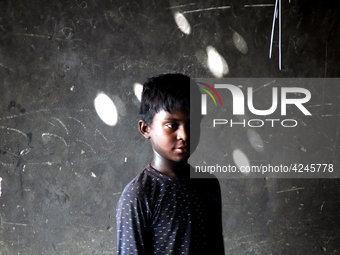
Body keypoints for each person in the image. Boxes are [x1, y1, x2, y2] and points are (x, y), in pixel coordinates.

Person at [116, 73, 225, 254]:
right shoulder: (138, 197)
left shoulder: (208, 184)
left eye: (191, 124)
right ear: (146, 128)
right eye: (172, 125)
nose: (184, 135)